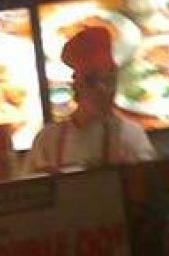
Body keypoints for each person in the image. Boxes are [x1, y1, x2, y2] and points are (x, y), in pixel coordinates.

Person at [26, 27, 156, 172]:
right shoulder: (48, 140)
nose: (102, 89)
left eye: (109, 80)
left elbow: (148, 180)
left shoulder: (130, 135)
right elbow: (31, 183)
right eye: (92, 80)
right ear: (76, 85)